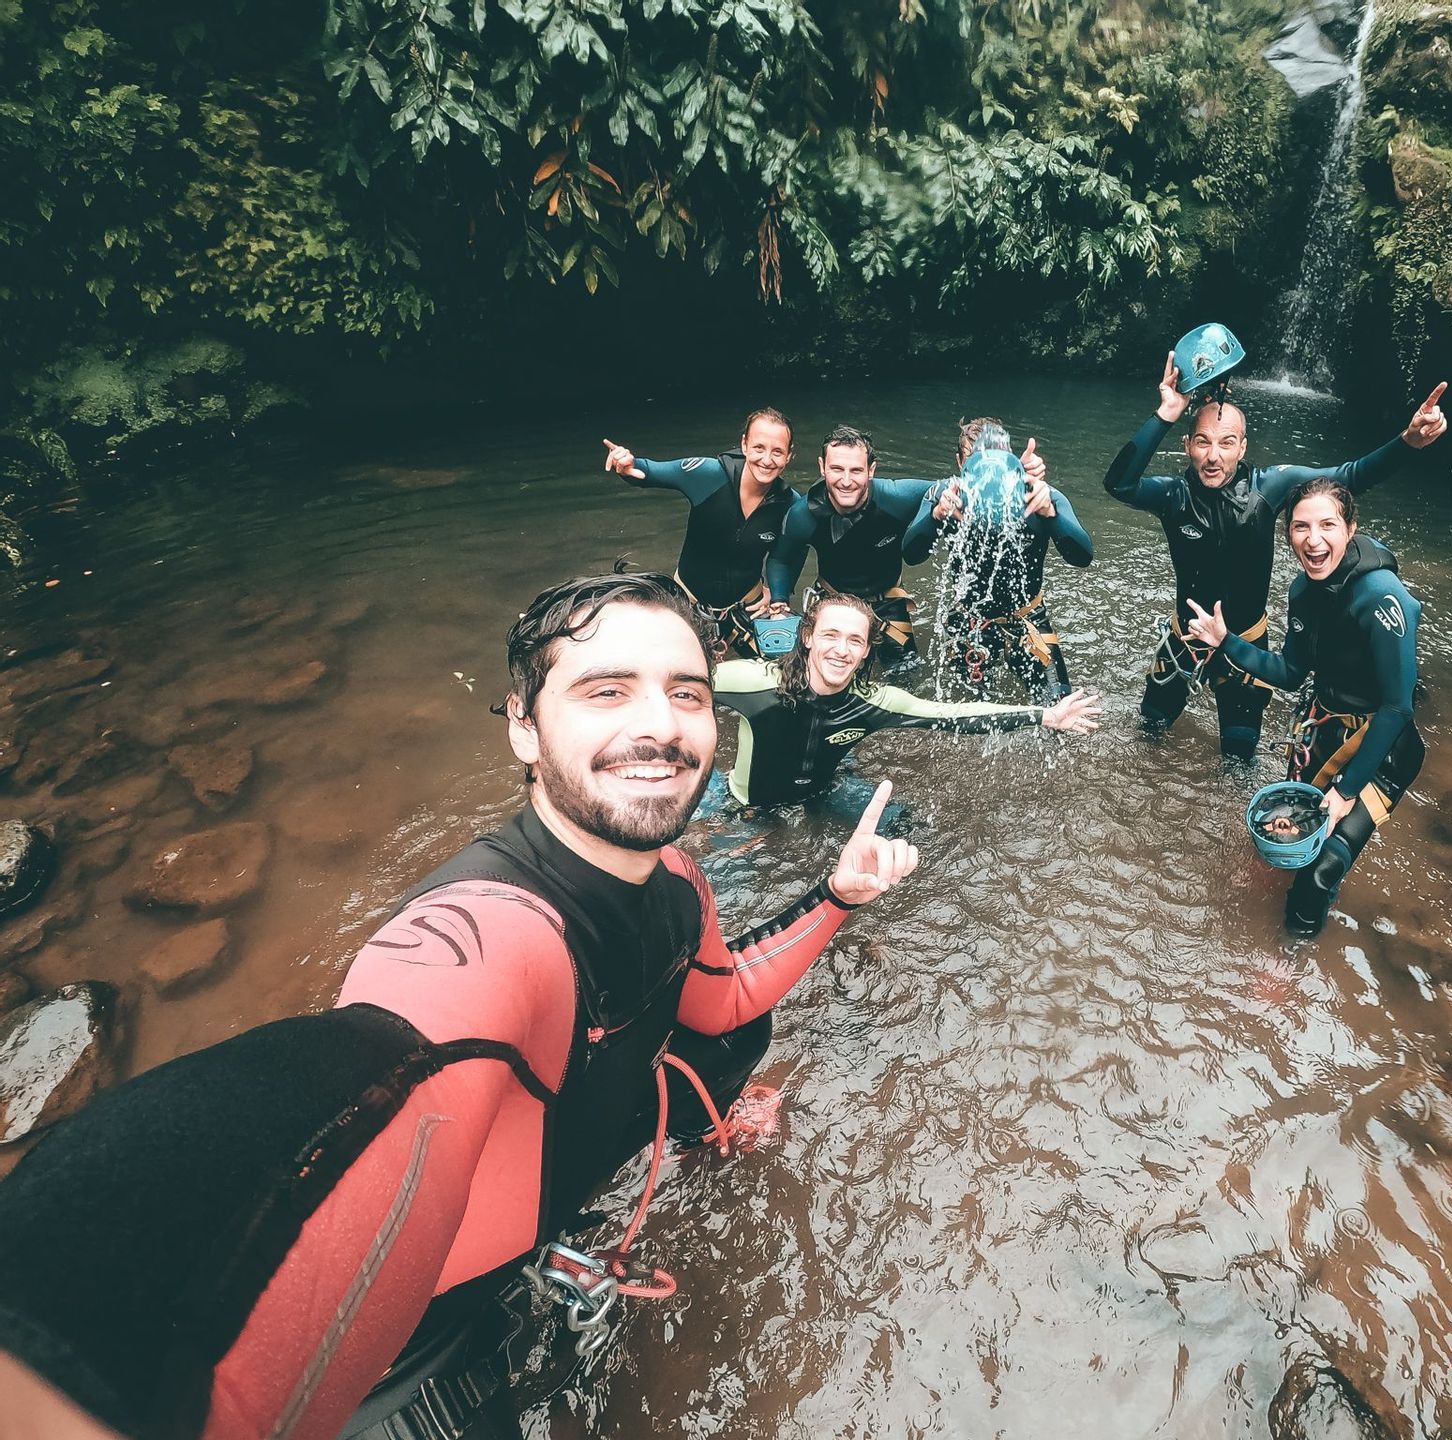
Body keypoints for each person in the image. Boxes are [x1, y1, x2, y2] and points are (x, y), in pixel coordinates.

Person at [0, 571, 920, 1440]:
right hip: (421, 1341)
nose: (661, 727)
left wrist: (837, 898)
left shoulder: (678, 878)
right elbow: (342, 1082)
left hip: (560, 1182)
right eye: (606, 690)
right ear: (523, 727)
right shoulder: (482, 937)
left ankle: (668, 1169)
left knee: (732, 1040)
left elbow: (724, 1007)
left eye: (687, 692)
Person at [1104, 355, 1448, 759]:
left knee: (1238, 756)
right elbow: (1119, 484)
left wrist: (1407, 442)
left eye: (1226, 443)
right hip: (1187, 638)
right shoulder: (1174, 496)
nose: (1214, 456)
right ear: (1187, 446)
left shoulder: (1269, 487)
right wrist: (1167, 412)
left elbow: (1352, 475)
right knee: (1148, 731)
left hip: (1246, 641)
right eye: (1203, 442)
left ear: (1243, 447)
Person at [1186, 479, 1424, 936]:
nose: (1313, 540)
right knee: (1283, 836)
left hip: (1383, 751)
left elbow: (1398, 707)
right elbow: (1293, 672)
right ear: (1288, 534)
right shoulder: (1303, 590)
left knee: (1319, 873)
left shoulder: (1383, 598)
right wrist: (1225, 642)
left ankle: (1289, 962)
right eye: (1300, 527)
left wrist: (1347, 790)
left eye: (1328, 525)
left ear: (1350, 528)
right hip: (1324, 735)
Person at [712, 592, 1102, 809]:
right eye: (831, 635)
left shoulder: (875, 702)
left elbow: (950, 715)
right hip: (745, 807)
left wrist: (1044, 715)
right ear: (808, 637)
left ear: (866, 652)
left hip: (821, 798)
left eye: (855, 641)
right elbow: (672, 679)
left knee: (905, 827)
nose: (841, 650)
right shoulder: (755, 681)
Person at [763, 424, 1048, 670]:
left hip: (887, 605)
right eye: (836, 469)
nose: (846, 480)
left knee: (906, 675)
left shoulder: (897, 498)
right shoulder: (804, 513)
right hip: (832, 602)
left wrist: (1014, 474)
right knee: (814, 676)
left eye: (856, 470)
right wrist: (778, 603)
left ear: (871, 470)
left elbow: (955, 486)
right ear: (822, 467)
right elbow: (782, 559)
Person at [902, 418, 1093, 700]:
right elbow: (911, 555)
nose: (985, 472)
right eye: (974, 459)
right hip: (969, 620)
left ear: (1008, 460)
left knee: (1059, 707)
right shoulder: (945, 496)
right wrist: (935, 516)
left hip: (1027, 617)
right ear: (960, 462)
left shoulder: (1038, 495)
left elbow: (1083, 557)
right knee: (966, 715)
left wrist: (1050, 514)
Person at [600, 408, 795, 657]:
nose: (767, 459)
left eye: (777, 451)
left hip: (747, 606)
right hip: (690, 603)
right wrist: (627, 465)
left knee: (785, 673)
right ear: (744, 444)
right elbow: (648, 471)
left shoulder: (788, 504)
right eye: (759, 447)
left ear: (789, 456)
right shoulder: (708, 474)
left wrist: (777, 594)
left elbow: (785, 556)